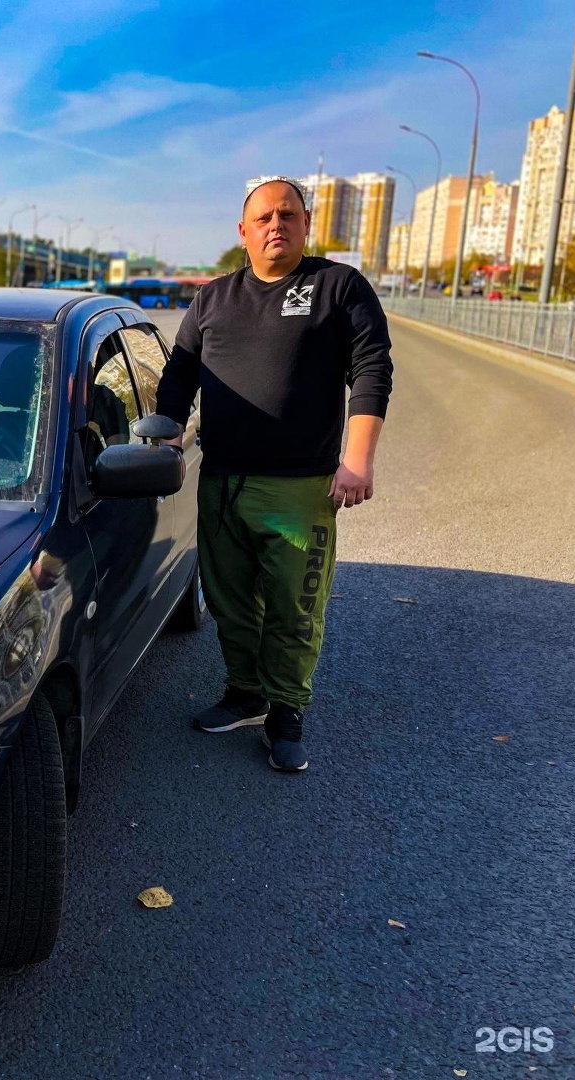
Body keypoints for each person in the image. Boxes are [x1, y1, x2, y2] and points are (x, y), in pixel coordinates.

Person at [154, 177, 394, 773]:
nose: (275, 225)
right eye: (262, 218)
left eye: (287, 214)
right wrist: (159, 444)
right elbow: (179, 379)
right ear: (243, 231)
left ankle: (287, 709)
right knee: (230, 603)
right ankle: (245, 692)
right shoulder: (212, 299)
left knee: (294, 607)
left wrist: (358, 460)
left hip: (299, 488)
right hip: (222, 482)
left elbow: (371, 370)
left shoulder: (338, 287)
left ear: (306, 223)